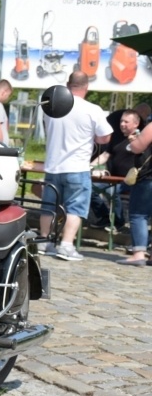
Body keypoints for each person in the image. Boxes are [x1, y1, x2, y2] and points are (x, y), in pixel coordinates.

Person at [38, 71, 112, 261]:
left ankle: (44, 242)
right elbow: (105, 137)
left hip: (53, 165)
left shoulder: (51, 108)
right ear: (86, 87)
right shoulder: (92, 109)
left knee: (48, 206)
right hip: (77, 166)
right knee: (74, 208)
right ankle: (66, 245)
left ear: (68, 84)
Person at [88, 109, 144, 230]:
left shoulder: (141, 140)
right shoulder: (116, 138)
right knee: (88, 187)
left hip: (132, 181)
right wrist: (90, 166)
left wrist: (137, 144)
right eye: (121, 121)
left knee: (112, 192)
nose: (122, 124)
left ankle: (118, 222)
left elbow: (144, 157)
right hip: (112, 178)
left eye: (126, 122)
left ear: (136, 124)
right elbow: (105, 155)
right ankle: (104, 217)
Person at [119, 120, 152, 265]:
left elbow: (137, 147)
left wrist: (133, 141)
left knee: (139, 214)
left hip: (148, 177)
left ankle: (138, 254)